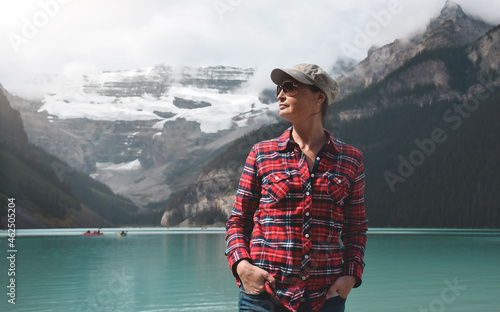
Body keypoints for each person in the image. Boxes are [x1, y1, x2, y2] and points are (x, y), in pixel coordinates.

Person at [225, 64, 368, 312]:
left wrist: (351, 277)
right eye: (279, 88)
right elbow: (239, 220)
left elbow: (355, 228)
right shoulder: (261, 153)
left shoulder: (350, 158)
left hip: (325, 298)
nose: (280, 95)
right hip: (263, 296)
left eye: (290, 87)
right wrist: (242, 266)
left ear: (319, 96)